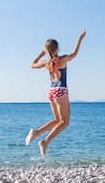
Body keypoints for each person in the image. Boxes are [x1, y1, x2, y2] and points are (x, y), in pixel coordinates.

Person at [26, 30, 86, 158]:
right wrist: (80, 39)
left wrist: (40, 55)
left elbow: (32, 65)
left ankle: (36, 132)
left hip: (51, 93)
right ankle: (44, 142)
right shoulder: (62, 59)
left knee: (58, 120)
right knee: (65, 122)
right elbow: (74, 54)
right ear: (57, 48)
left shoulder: (46, 63)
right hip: (61, 91)